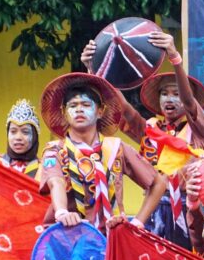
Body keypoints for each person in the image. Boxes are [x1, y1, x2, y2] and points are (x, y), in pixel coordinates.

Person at [82, 32, 204, 248]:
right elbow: (125, 111)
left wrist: (175, 59)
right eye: (164, 93)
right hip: (154, 214)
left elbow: (189, 104)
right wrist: (96, 70)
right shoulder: (150, 129)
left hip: (191, 212)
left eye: (176, 93)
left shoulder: (199, 129)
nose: (169, 99)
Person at [38, 72, 167, 233]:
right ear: (64, 113)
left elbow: (159, 182)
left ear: (100, 111)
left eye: (86, 105)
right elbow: (55, 182)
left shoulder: (116, 148)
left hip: (112, 237)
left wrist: (138, 222)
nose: (79, 109)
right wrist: (62, 211)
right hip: (68, 236)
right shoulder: (54, 150)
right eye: (72, 105)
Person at [0, 99, 43, 179]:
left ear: (34, 136)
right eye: (13, 132)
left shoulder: (45, 170)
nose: (18, 137)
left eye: (25, 132)